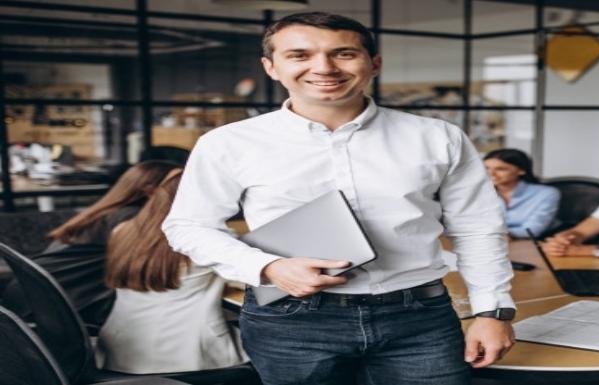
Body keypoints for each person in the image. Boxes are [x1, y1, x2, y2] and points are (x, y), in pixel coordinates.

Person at [162, 12, 514, 385]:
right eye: (300, 55)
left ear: (374, 63)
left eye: (344, 53)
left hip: (419, 317)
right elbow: (188, 226)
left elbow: (478, 227)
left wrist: (492, 311)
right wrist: (268, 268)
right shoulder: (227, 143)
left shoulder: (437, 137)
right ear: (271, 67)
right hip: (291, 319)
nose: (324, 67)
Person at [100, 169, 247, 374]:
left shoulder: (123, 230)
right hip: (188, 355)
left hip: (121, 351)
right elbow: (251, 278)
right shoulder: (211, 241)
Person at [1, 160, 180, 327]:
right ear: (150, 190)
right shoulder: (129, 220)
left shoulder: (101, 213)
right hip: (56, 309)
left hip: (31, 299)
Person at [483, 148, 560, 238]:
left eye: (500, 169)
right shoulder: (481, 194)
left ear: (521, 170)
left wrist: (491, 233)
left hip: (539, 242)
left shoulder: (546, 194)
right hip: (494, 242)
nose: (490, 173)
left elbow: (532, 230)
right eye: (486, 168)